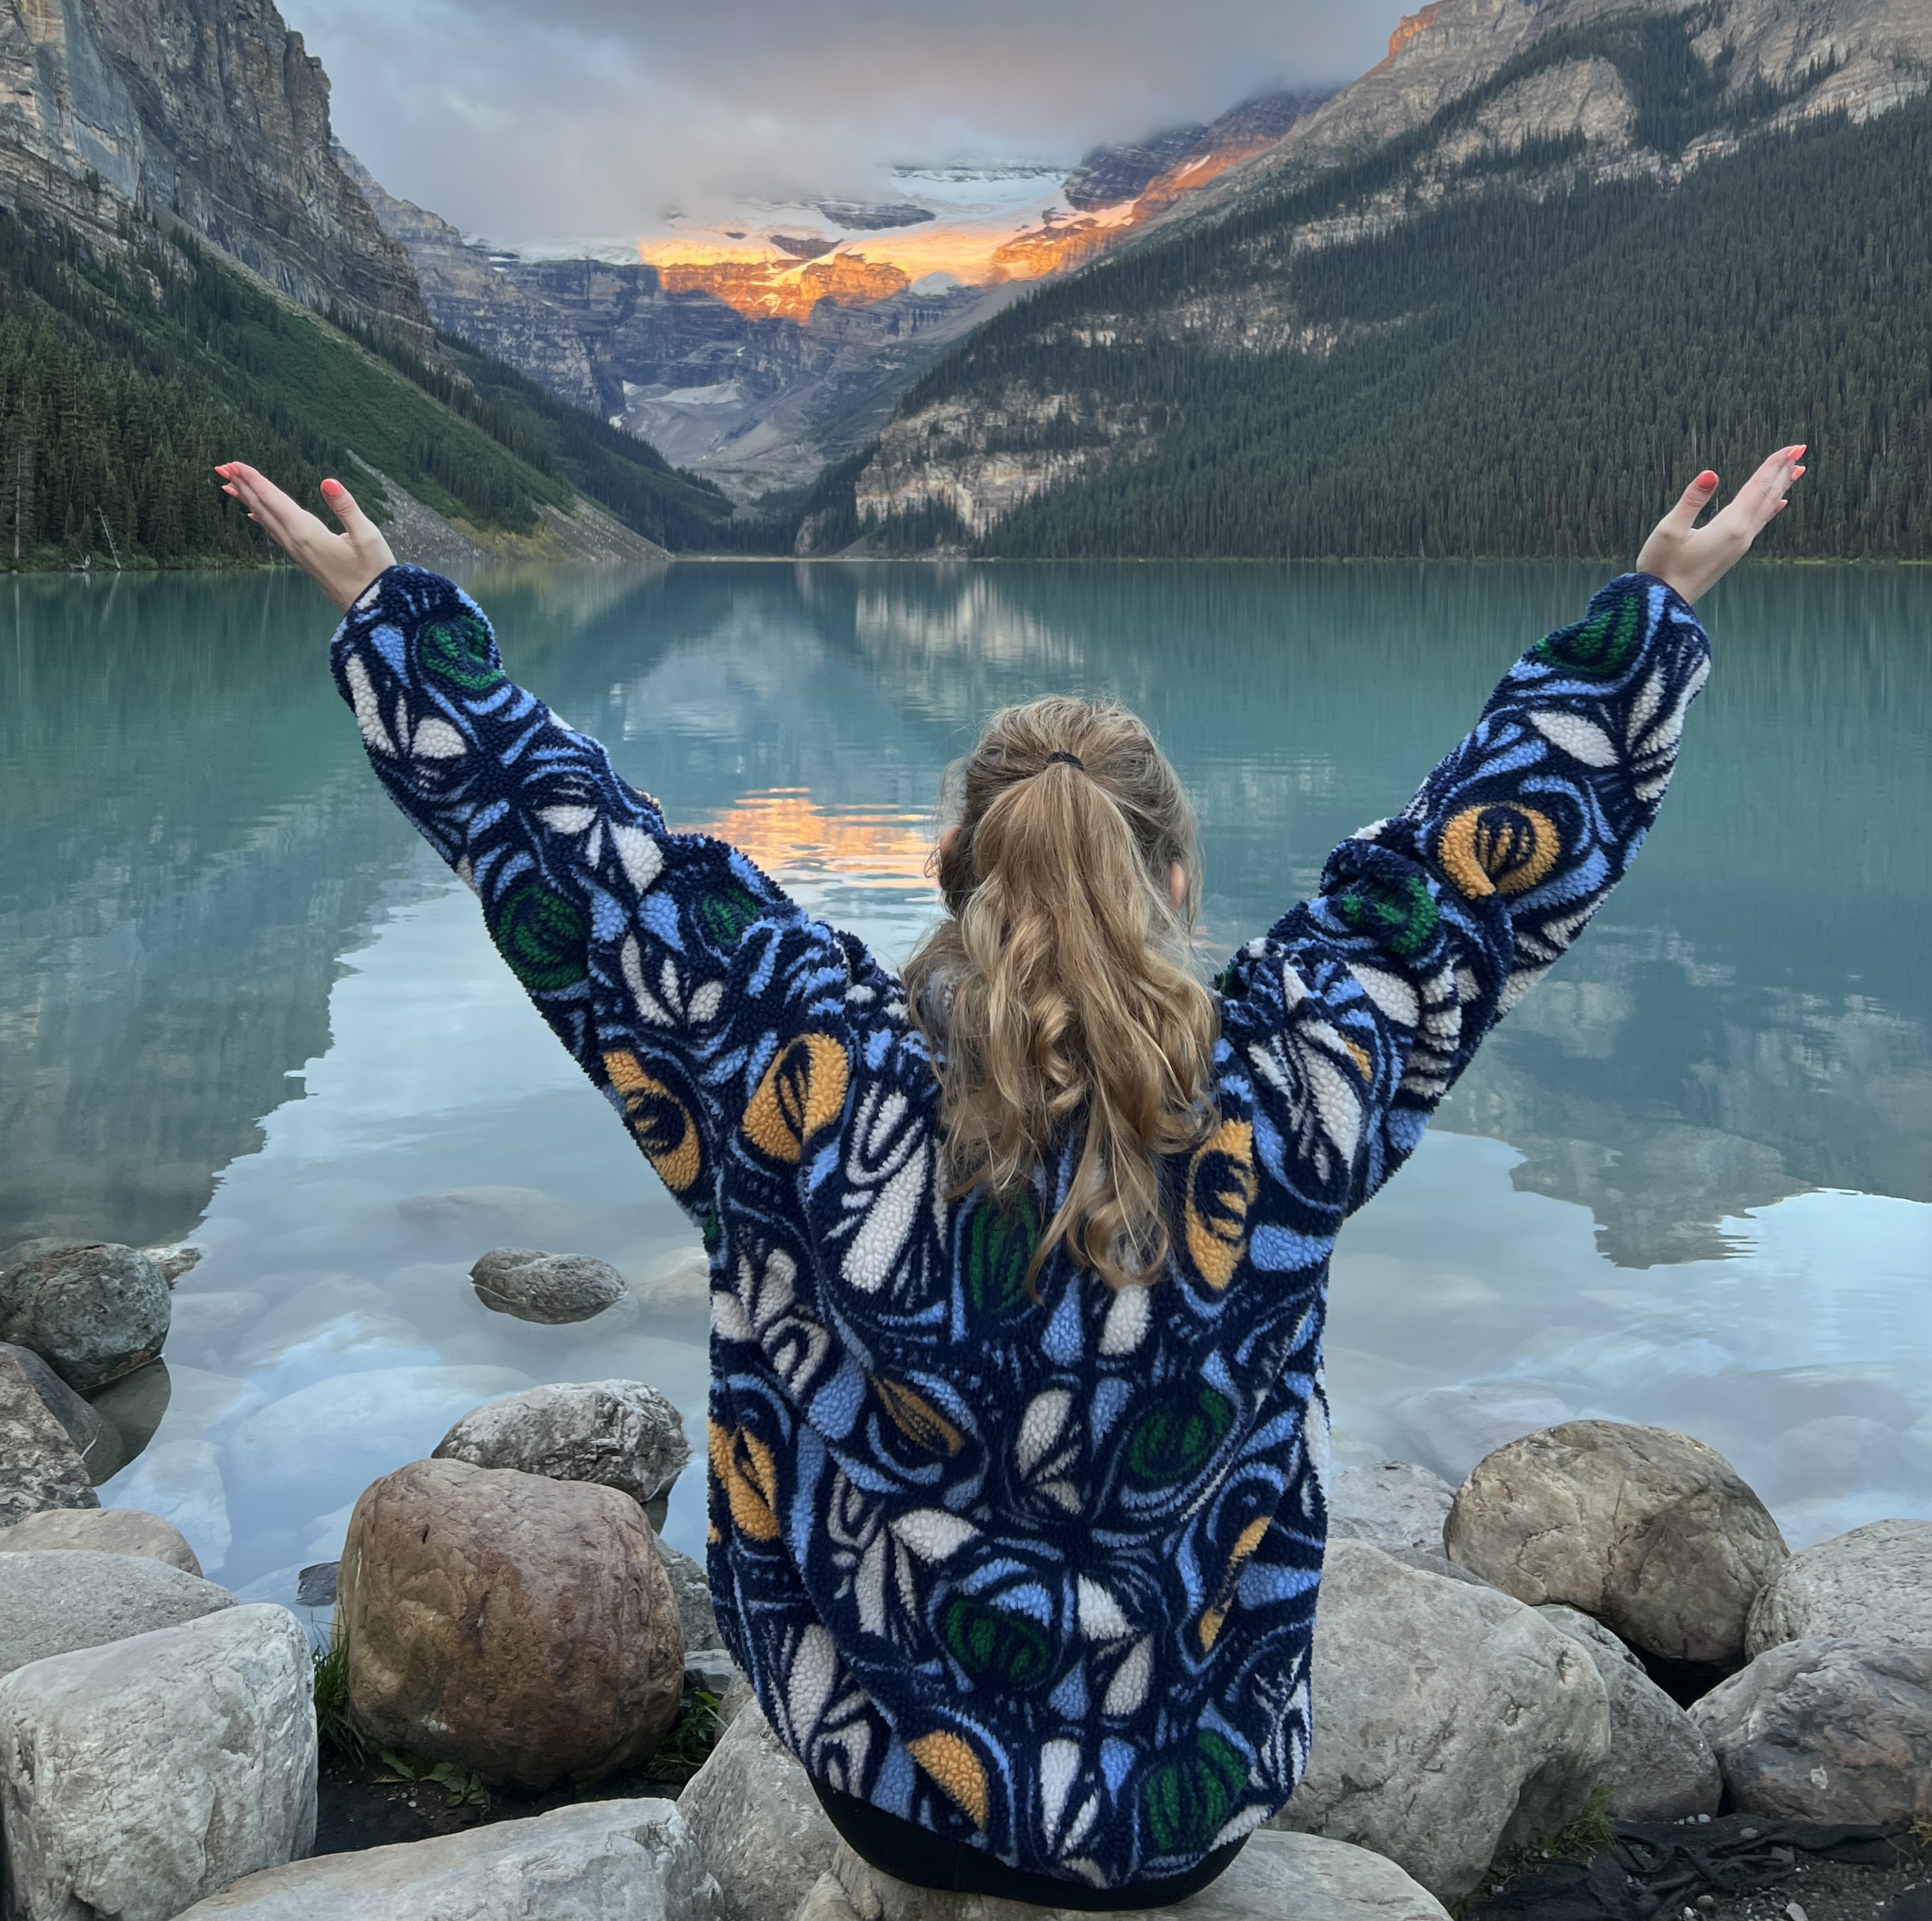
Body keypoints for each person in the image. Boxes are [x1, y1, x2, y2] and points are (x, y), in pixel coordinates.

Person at [217, 445, 1806, 1909]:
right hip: (1186, 1812)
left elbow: (586, 863)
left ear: (948, 876)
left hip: (889, 1784)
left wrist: (395, 620)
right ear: (1175, 878)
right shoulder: (1289, 1087)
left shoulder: (807, 1078)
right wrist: (1647, 617)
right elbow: (1468, 880)